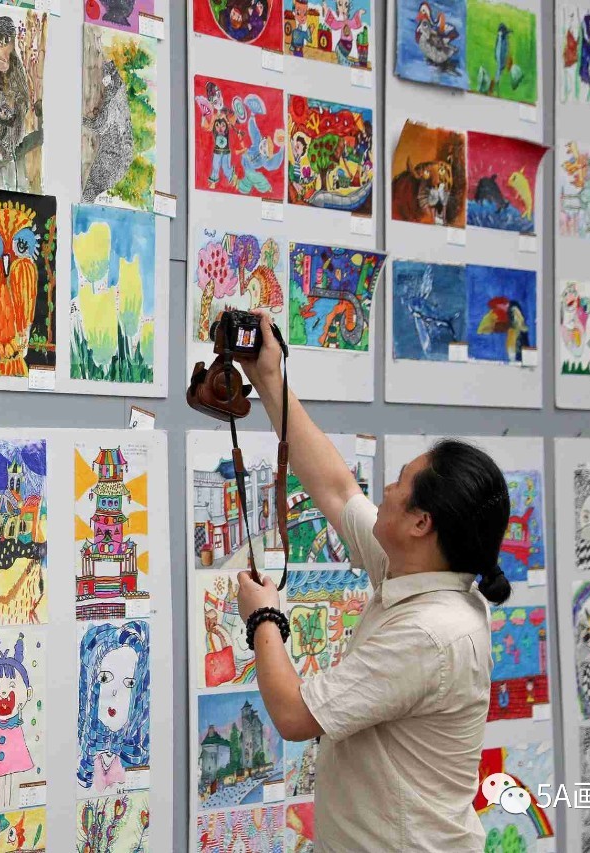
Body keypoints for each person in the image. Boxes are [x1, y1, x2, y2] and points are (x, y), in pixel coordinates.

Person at [231, 309, 512, 851]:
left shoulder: (430, 634)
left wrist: (263, 617)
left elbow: (294, 715)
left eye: (401, 482)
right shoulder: (415, 568)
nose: (385, 489)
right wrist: (268, 378)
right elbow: (336, 488)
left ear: (421, 523)